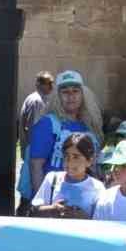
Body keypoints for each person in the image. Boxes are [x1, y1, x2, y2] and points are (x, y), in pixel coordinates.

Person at [23, 69, 102, 204]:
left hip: (86, 198)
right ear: (57, 97)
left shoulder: (90, 125)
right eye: (65, 92)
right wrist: (43, 205)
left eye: (75, 91)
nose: (71, 96)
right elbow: (36, 166)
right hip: (56, 198)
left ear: (83, 95)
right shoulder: (47, 124)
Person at [30, 132, 103, 219]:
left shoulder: (97, 188)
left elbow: (102, 222)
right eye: (66, 156)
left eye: (76, 157)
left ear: (89, 161)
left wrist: (84, 217)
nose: (69, 161)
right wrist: (52, 209)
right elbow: (34, 211)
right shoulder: (53, 178)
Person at [17, 71, 54, 159]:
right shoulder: (37, 101)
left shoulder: (33, 98)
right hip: (35, 152)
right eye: (48, 83)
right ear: (39, 84)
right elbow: (33, 128)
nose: (51, 87)